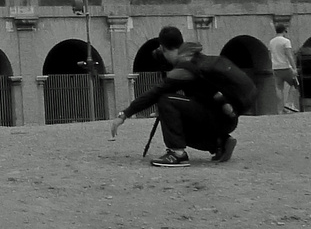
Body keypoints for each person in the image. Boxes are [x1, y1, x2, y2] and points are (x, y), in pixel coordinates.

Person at [110, 27, 257, 167]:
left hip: (219, 119)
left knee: (165, 101)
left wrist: (124, 114)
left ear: (163, 48)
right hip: (227, 116)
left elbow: (155, 93)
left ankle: (177, 153)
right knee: (173, 115)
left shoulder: (184, 68)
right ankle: (220, 143)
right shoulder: (195, 57)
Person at [267, 24, 299, 113]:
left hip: (276, 68)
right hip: (285, 66)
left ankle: (279, 109)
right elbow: (289, 55)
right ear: (284, 31)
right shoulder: (286, 41)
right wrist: (294, 68)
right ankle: (288, 103)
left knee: (279, 88)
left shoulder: (271, 42)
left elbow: (270, 55)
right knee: (295, 84)